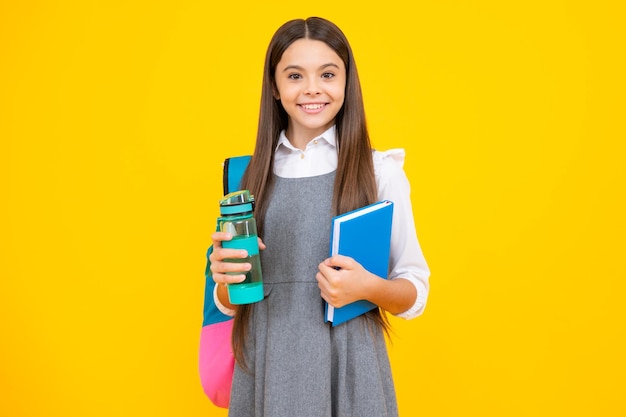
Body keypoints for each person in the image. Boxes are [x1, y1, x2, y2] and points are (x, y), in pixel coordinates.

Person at [209, 16, 430, 417]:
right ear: (274, 88)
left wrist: (367, 287)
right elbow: (227, 302)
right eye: (295, 75)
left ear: (347, 82)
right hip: (266, 365)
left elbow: (414, 292)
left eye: (328, 73)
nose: (312, 88)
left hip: (351, 370)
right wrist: (223, 280)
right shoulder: (246, 176)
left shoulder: (378, 171)